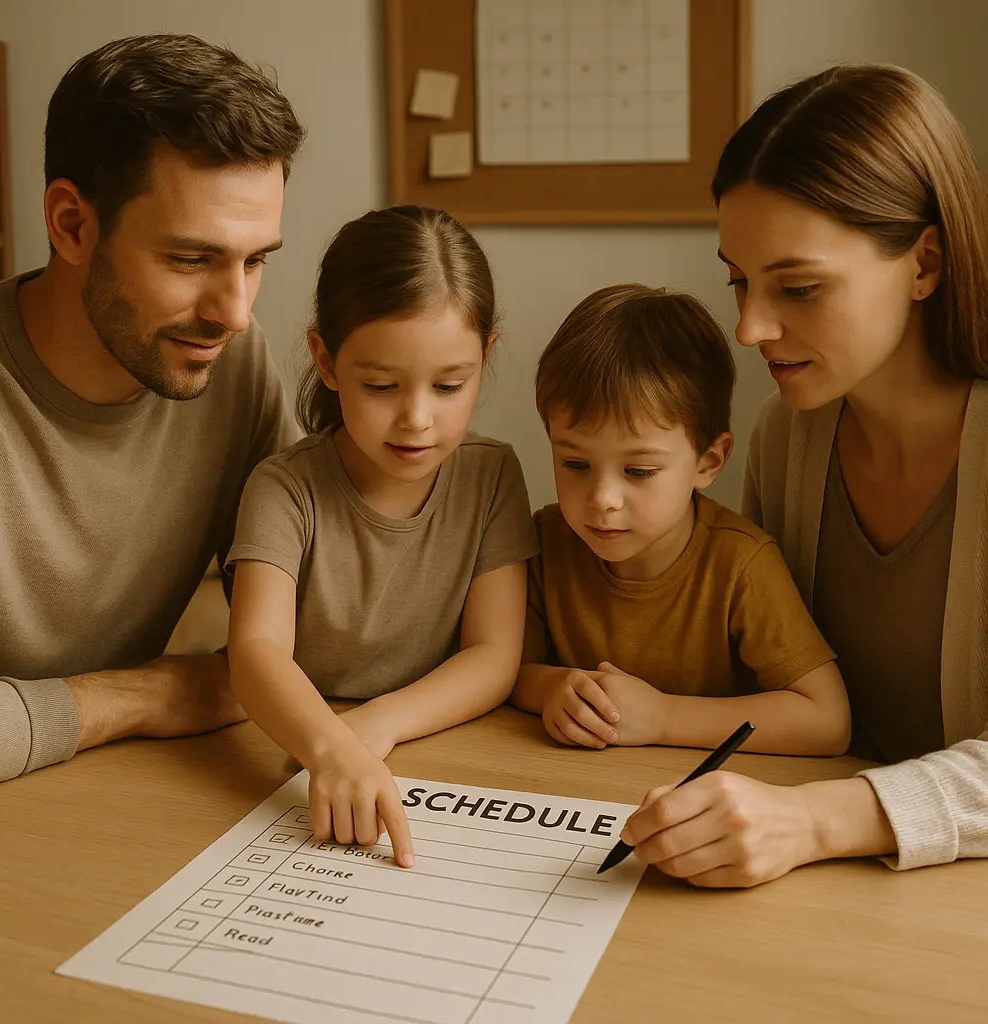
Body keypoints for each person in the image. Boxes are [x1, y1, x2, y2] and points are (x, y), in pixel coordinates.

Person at [621, 63, 988, 885]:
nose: (750, 327)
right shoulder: (788, 437)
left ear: (925, 263)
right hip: (829, 884)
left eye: (799, 286)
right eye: (739, 281)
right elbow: (763, 667)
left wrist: (820, 819)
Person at [0, 34, 304, 791]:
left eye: (255, 261)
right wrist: (139, 695)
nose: (236, 313)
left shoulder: (228, 365)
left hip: (112, 794)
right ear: (72, 225)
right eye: (191, 259)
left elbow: (320, 608)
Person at [225, 205, 539, 867]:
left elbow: (493, 655)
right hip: (299, 742)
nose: (417, 419)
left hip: (437, 745)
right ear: (327, 361)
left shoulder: (492, 476)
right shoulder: (284, 488)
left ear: (486, 357)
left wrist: (376, 725)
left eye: (450, 385)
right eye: (380, 386)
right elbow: (255, 652)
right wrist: (331, 747)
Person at [510, 284, 850, 756]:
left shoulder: (740, 564)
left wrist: (665, 718)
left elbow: (827, 721)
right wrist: (550, 688)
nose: (603, 499)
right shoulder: (542, 544)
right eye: (575, 464)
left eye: (639, 471)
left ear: (708, 463)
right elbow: (504, 669)